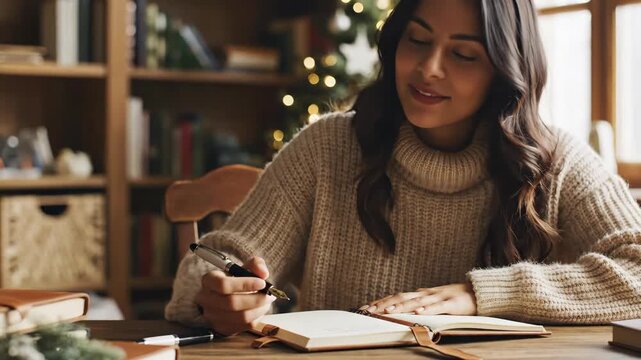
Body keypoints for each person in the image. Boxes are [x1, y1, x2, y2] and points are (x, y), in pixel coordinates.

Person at [165, 0, 641, 336]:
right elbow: (214, 261)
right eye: (417, 40)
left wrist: (484, 295)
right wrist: (220, 298)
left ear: (505, 70)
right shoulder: (328, 147)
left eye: (463, 54)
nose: (428, 68)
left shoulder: (556, 162)